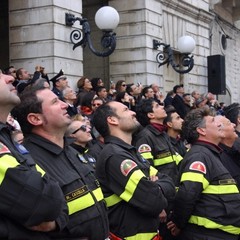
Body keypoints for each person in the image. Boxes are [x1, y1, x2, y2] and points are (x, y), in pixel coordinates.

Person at [14, 85, 109, 240]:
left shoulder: (71, 151)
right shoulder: (28, 162)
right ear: (35, 119)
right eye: (55, 102)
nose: (64, 104)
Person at [92, 101, 175, 240]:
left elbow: (169, 183)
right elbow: (154, 202)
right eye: (126, 110)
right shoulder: (115, 156)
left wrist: (155, 186)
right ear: (112, 120)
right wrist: (155, 187)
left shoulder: (131, 152)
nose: (133, 112)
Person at [0, 70, 68, 238]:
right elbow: (47, 201)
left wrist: (55, 222)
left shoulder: (7, 138)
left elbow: (59, 201)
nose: (10, 78)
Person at [167, 108, 240, 240]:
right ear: (202, 130)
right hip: (208, 235)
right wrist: (178, 223)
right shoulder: (200, 155)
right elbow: (188, 193)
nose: (219, 124)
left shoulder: (208, 154)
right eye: (213, 121)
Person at [134, 99, 182, 185]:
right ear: (151, 115)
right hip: (163, 189)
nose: (162, 106)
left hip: (173, 186)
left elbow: (177, 159)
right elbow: (147, 169)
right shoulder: (145, 137)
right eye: (157, 106)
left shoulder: (163, 134)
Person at [216, 115, 240, 188]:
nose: (234, 124)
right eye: (229, 123)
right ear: (221, 132)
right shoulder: (218, 158)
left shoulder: (235, 149)